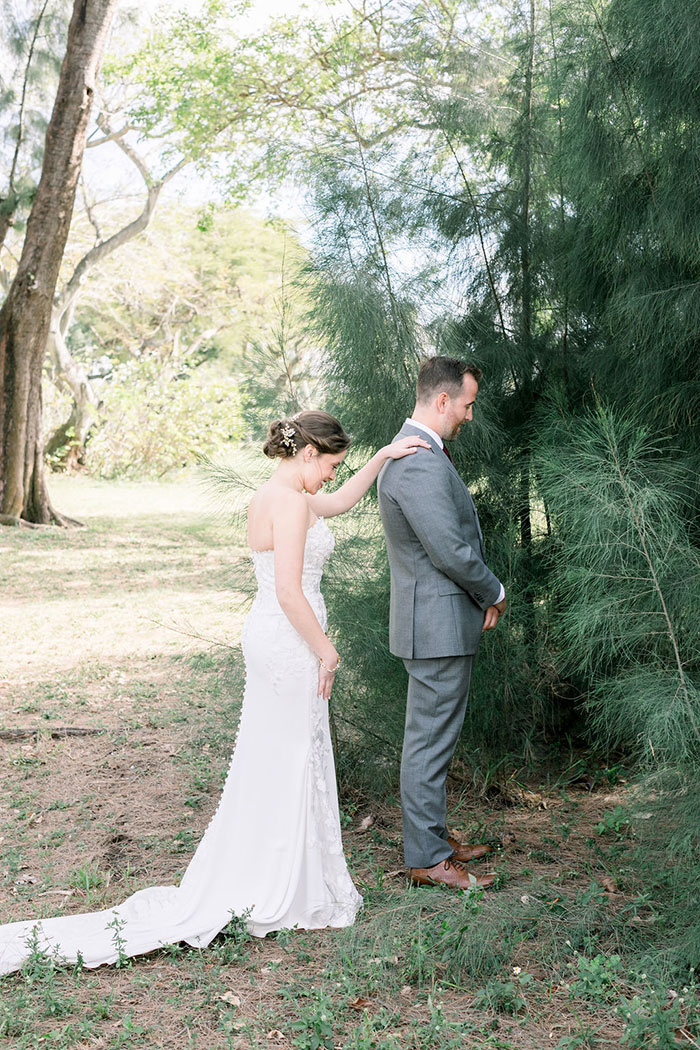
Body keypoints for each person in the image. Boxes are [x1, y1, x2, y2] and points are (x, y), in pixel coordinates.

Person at [0, 411, 428, 975]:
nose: (329, 476)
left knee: (279, 754)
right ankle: (281, 881)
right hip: (291, 639)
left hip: (270, 634)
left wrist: (380, 459)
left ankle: (275, 868)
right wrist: (326, 649)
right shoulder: (294, 501)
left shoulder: (273, 493)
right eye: (329, 465)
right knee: (291, 753)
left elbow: (340, 503)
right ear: (307, 455)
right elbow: (289, 590)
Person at [377, 357, 507, 892]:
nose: (470, 415)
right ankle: (428, 859)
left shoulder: (419, 453)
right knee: (428, 742)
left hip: (436, 621)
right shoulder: (418, 462)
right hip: (434, 624)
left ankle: (432, 838)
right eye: (468, 404)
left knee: (432, 738)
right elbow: (450, 550)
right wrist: (493, 590)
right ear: (441, 401)